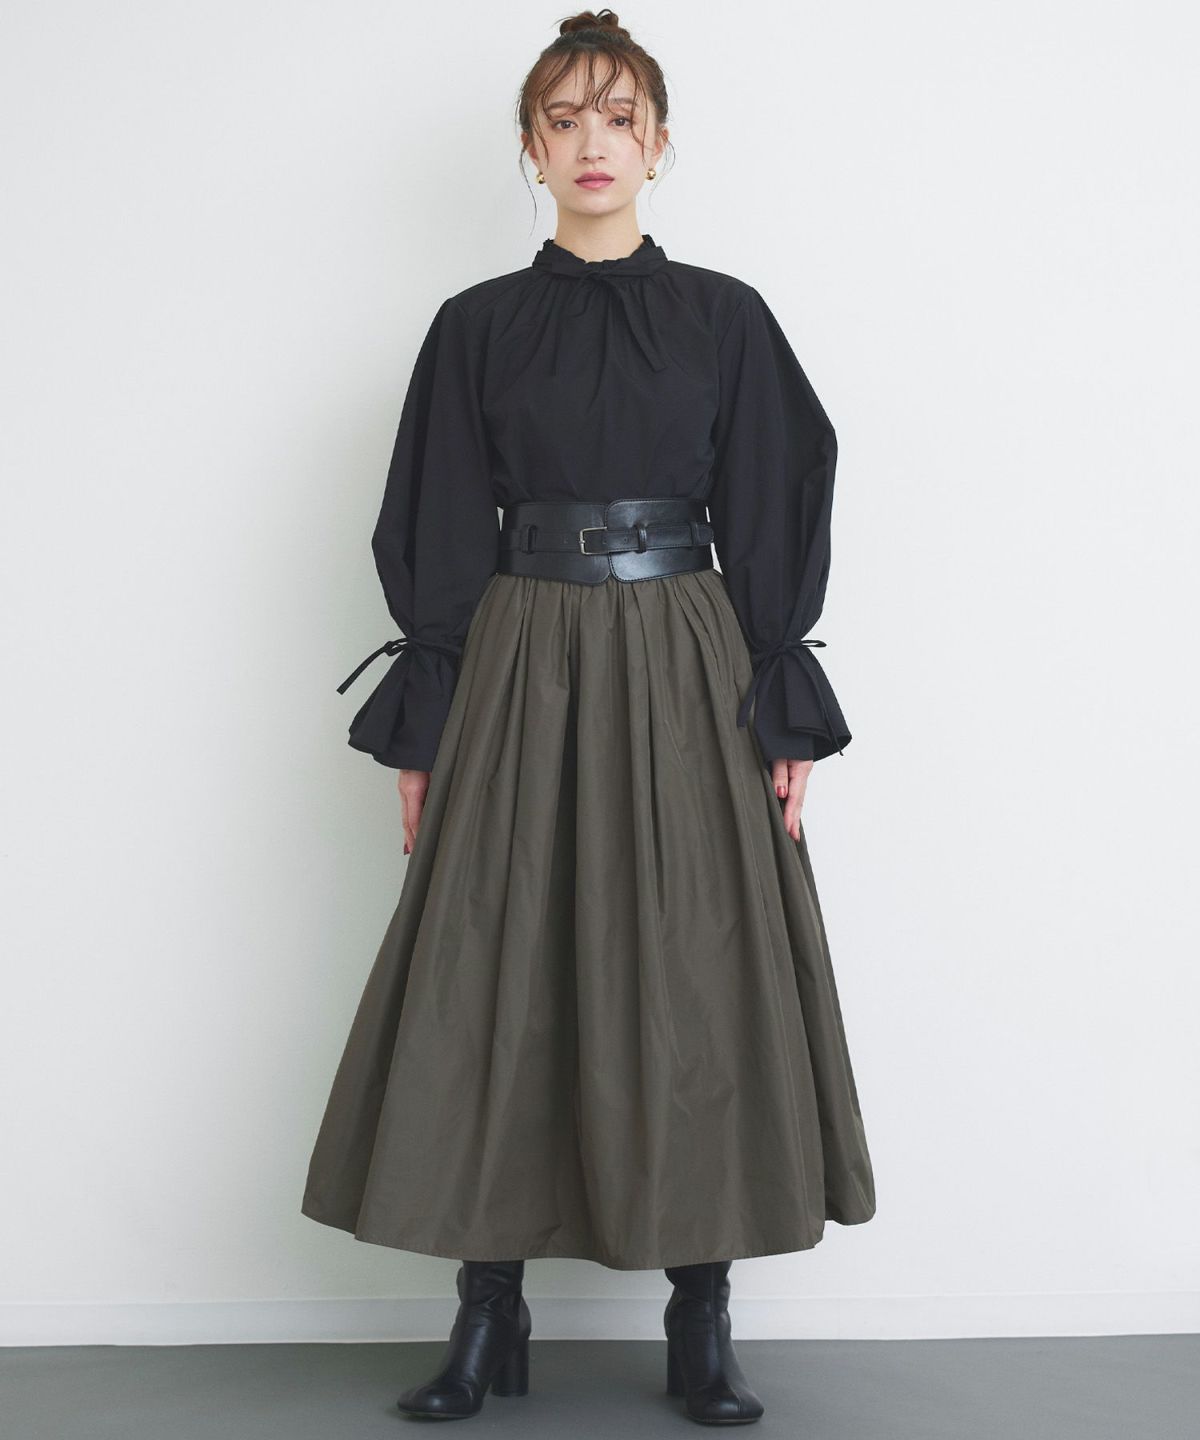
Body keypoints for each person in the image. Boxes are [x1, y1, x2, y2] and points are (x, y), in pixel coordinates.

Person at [301, 8, 876, 1426]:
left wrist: (782, 702)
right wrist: (427, 724)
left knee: (698, 964)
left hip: (685, 657)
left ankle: (702, 1314)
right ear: (531, 147)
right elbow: (437, 513)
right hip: (519, 657)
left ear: (661, 144)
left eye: (620, 117)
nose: (593, 142)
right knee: (498, 961)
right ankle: (487, 1311)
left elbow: (774, 497)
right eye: (565, 120)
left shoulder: (726, 319)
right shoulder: (477, 327)